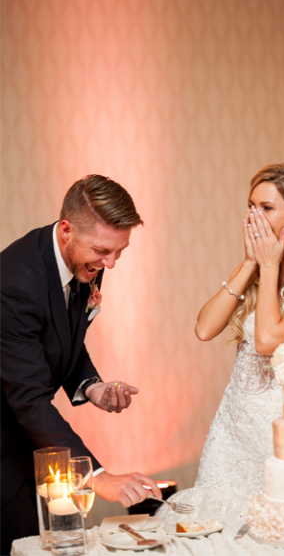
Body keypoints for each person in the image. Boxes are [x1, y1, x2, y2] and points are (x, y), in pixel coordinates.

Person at [156, 162, 284, 531]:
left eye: (266, 208)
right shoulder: (257, 272)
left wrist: (269, 266)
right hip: (232, 435)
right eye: (250, 206)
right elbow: (204, 328)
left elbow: (267, 341)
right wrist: (251, 263)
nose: (252, 217)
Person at [0, 175, 162, 553]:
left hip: (38, 445)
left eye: (119, 251)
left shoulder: (84, 259)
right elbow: (29, 398)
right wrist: (97, 476)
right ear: (67, 230)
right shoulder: (15, 283)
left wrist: (92, 386)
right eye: (103, 251)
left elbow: (61, 337)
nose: (111, 264)